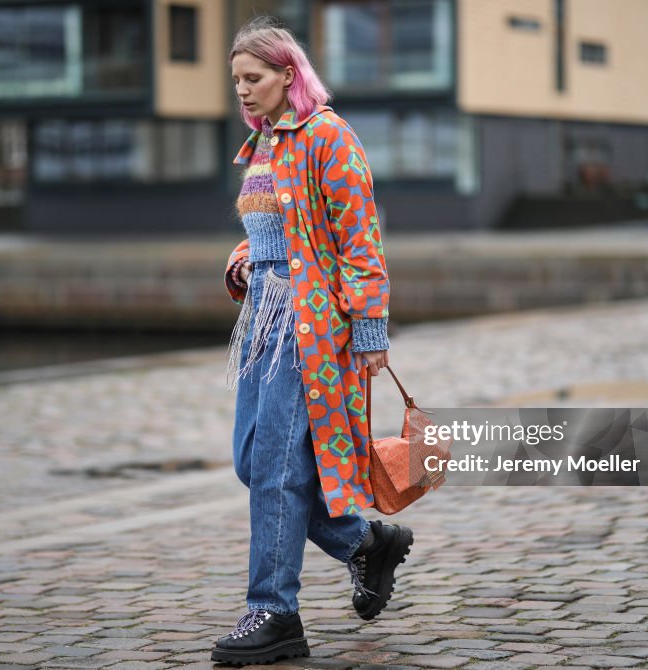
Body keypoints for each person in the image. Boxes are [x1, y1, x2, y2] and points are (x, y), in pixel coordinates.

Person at [212, 17, 414, 666]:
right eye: (236, 81)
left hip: (312, 332)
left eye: (254, 78)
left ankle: (273, 612)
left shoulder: (329, 137)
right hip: (262, 325)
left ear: (288, 75)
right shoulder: (266, 144)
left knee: (276, 469)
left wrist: (371, 332)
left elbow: (361, 240)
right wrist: (244, 262)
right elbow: (277, 230)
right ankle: (365, 545)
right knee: (255, 464)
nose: (242, 91)